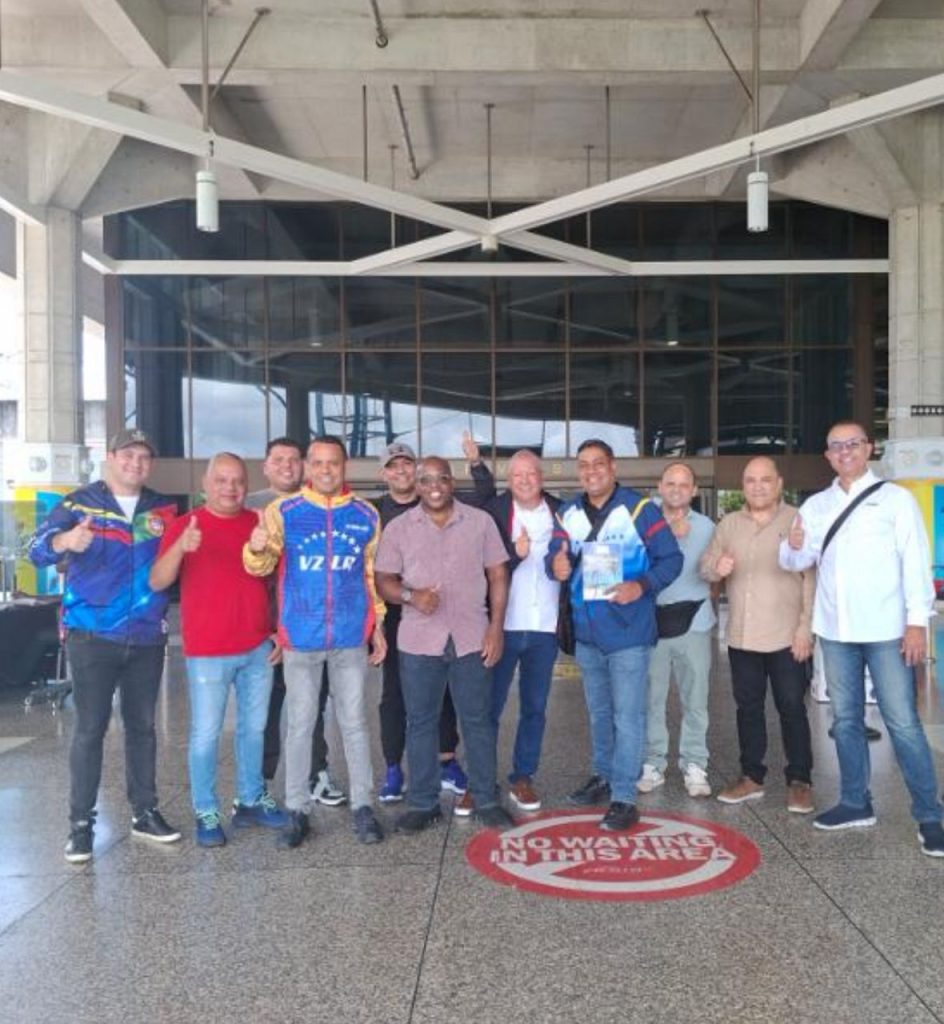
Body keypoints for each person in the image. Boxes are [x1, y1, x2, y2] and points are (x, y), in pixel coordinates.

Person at [780, 421, 944, 855]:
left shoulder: (896, 499)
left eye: (853, 444)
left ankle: (930, 815)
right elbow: (796, 560)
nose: (845, 451)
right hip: (836, 631)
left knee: (903, 722)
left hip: (887, 630)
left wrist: (916, 622)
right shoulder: (817, 505)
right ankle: (855, 802)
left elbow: (915, 561)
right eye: (836, 446)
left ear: (869, 448)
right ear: (828, 455)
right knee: (846, 720)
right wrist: (793, 545)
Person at [28, 428, 181, 863]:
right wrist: (64, 541)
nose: (136, 463)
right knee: (90, 730)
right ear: (110, 457)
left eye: (144, 457)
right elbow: (35, 549)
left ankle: (145, 812)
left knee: (143, 728)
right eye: (128, 455)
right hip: (91, 636)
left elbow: (177, 564)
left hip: (146, 636)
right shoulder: (78, 504)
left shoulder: (163, 509)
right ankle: (80, 825)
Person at [243, 435, 386, 847]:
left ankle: (363, 806)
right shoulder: (284, 511)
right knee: (300, 725)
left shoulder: (365, 514)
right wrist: (255, 549)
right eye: (318, 462)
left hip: (349, 636)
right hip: (301, 638)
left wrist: (377, 625)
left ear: (344, 466)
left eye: (333, 463)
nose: (326, 470)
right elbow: (260, 566)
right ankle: (297, 810)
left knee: (354, 723)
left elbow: (370, 576)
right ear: (308, 467)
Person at [149, 453, 289, 847]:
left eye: (238, 481)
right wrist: (180, 547)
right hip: (208, 651)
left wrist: (280, 632)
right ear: (206, 485)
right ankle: (206, 809)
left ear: (247, 485)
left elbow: (280, 582)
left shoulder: (258, 523)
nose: (230, 487)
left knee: (254, 729)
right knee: (206, 734)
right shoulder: (185, 525)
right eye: (222, 480)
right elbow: (157, 581)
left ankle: (250, 799)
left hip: (257, 647)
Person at [547, 439, 683, 832]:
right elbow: (556, 556)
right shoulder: (568, 512)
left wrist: (640, 586)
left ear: (613, 468)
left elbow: (672, 559)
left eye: (598, 464)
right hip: (587, 634)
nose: (591, 471)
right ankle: (603, 776)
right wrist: (554, 564)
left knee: (628, 716)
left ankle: (624, 797)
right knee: (600, 713)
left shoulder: (639, 509)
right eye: (584, 465)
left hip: (628, 634)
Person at [374, 456, 511, 832]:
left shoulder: (480, 522)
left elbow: (498, 574)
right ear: (417, 485)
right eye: (426, 480)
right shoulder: (399, 528)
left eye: (442, 479)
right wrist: (411, 596)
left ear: (453, 482)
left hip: (472, 637)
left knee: (478, 720)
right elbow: (383, 579)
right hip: (419, 641)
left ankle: (485, 799)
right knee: (420, 722)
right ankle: (423, 803)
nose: (434, 486)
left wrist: (496, 628)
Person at [700, 456, 815, 814]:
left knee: (792, 707)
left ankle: (800, 780)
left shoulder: (798, 520)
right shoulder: (729, 524)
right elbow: (705, 567)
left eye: (766, 480)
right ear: (743, 486)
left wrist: (805, 628)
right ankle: (751, 777)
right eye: (751, 480)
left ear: (779, 484)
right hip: (742, 637)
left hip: (787, 637)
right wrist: (716, 568)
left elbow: (811, 579)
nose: (758, 486)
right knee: (747, 709)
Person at [247, 437, 346, 808]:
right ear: (265, 466)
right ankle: (258, 783)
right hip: (266, 631)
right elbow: (247, 571)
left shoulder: (320, 505)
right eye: (278, 459)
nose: (287, 466)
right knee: (265, 709)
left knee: (313, 706)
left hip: (310, 629)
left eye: (293, 459)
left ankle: (316, 774)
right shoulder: (250, 507)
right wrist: (268, 629)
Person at [466, 439, 561, 812]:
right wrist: (514, 554)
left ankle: (523, 777)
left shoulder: (560, 511)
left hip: (545, 627)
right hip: (501, 626)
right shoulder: (494, 511)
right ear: (509, 480)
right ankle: (479, 780)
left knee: (535, 708)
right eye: (517, 474)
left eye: (530, 473)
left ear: (541, 477)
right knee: (488, 708)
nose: (524, 480)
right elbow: (479, 563)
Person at [372, 442, 468, 804]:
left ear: (417, 470)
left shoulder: (436, 501)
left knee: (443, 688)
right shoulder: (374, 513)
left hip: (438, 612)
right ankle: (394, 768)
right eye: (392, 466)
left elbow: (485, 501)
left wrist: (476, 464)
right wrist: (373, 623)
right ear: (384, 473)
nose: (400, 471)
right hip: (393, 616)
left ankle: (446, 761)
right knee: (394, 693)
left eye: (406, 464)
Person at [638, 462, 716, 798]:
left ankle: (694, 764)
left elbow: (713, 572)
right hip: (652, 621)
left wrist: (718, 568)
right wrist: (666, 531)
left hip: (694, 622)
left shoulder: (708, 527)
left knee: (695, 699)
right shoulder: (643, 522)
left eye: (684, 485)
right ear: (660, 486)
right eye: (670, 483)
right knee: (650, 699)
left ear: (694, 490)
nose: (676, 490)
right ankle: (653, 763)